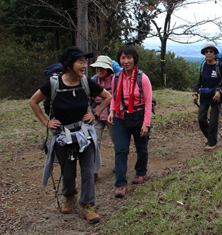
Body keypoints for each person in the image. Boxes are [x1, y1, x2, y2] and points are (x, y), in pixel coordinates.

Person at [29, 46, 112, 224]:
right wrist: (46, 122)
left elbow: (107, 97)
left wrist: (94, 114)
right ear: (69, 65)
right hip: (62, 135)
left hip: (84, 133)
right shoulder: (53, 84)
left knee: (88, 171)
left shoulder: (86, 82)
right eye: (80, 62)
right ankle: (69, 196)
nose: (84, 65)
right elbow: (33, 101)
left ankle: (87, 205)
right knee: (68, 171)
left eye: (85, 61)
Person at [108, 45, 152, 198]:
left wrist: (146, 124)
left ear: (134, 59)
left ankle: (140, 171)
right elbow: (114, 96)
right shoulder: (116, 78)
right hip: (121, 117)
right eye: (122, 57)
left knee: (141, 148)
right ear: (119, 59)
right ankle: (120, 183)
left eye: (129, 57)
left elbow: (148, 102)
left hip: (138, 117)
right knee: (121, 150)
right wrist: (112, 111)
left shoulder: (142, 78)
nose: (125, 61)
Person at [193, 43, 222, 151]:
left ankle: (212, 142)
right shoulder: (204, 65)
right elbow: (200, 82)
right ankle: (210, 136)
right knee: (201, 119)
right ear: (204, 53)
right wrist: (196, 93)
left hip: (216, 96)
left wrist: (220, 92)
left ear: (214, 53)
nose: (208, 53)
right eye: (206, 51)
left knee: (213, 120)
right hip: (204, 95)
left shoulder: (220, 67)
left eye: (211, 51)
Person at [90, 55, 116, 179]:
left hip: (112, 114)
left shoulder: (115, 80)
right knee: (94, 142)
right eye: (97, 68)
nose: (99, 70)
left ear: (108, 69)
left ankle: (119, 164)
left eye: (102, 68)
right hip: (96, 114)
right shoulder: (93, 80)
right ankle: (93, 171)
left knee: (116, 141)